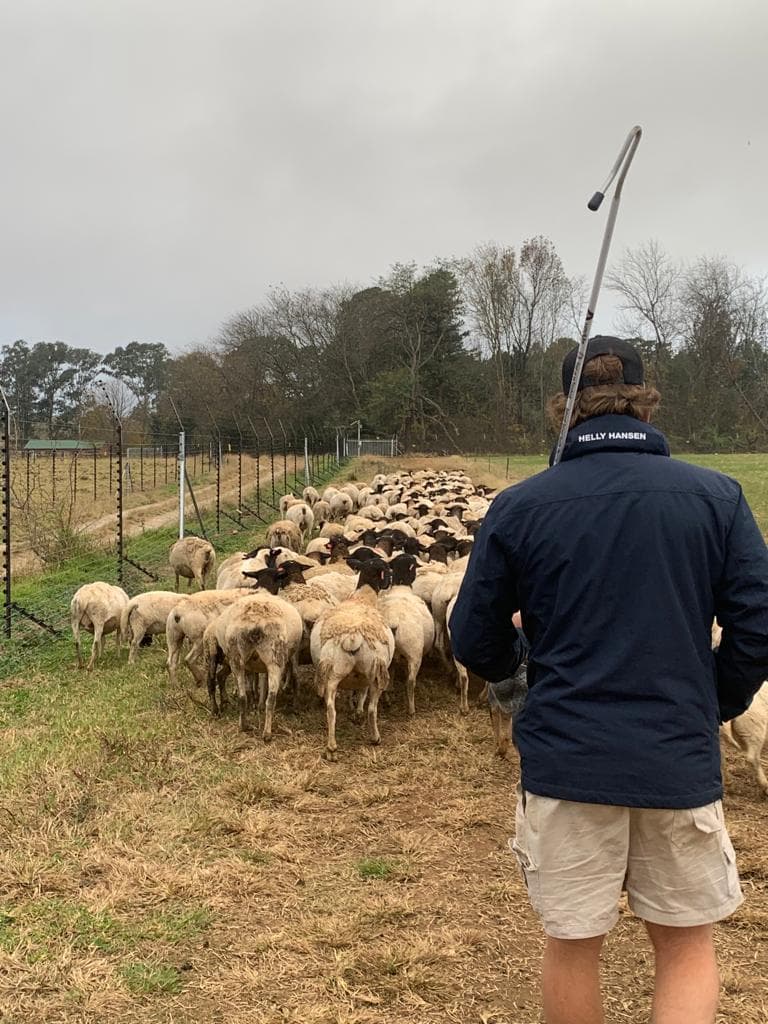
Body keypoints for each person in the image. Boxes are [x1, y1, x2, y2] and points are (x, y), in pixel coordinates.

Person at [450, 336, 768, 1024]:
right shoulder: (716, 498)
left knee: (572, 946)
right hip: (675, 759)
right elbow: (758, 624)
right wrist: (715, 699)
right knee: (685, 946)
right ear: (646, 401)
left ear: (563, 410)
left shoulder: (522, 505)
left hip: (567, 760)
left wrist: (521, 685)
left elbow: (472, 635)